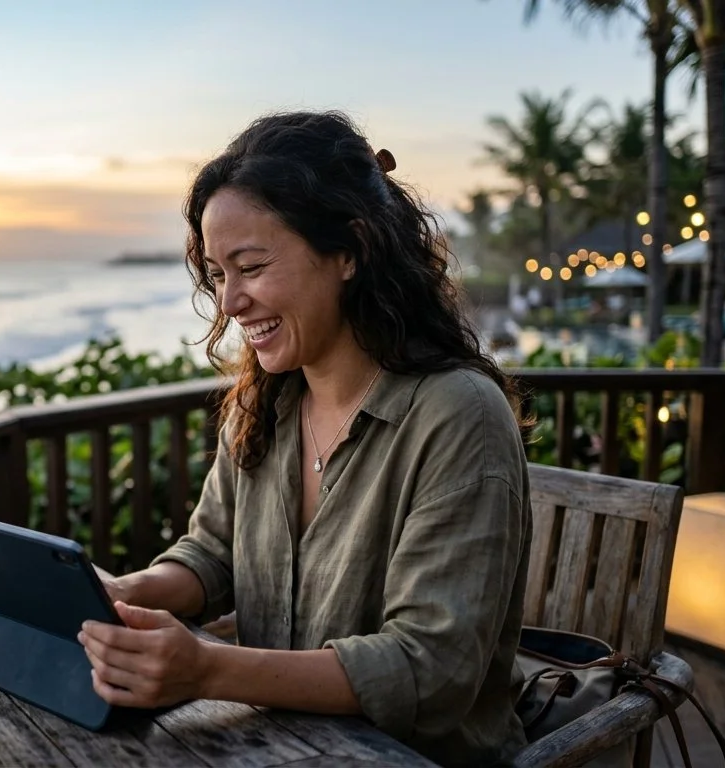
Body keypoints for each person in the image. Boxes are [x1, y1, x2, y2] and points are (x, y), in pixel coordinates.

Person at [77, 111, 532, 767]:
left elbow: (431, 668)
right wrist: (123, 593)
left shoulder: (456, 415)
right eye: (216, 274)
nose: (230, 301)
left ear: (350, 249)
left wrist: (207, 670)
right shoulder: (265, 404)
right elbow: (211, 554)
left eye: (252, 265)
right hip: (279, 745)